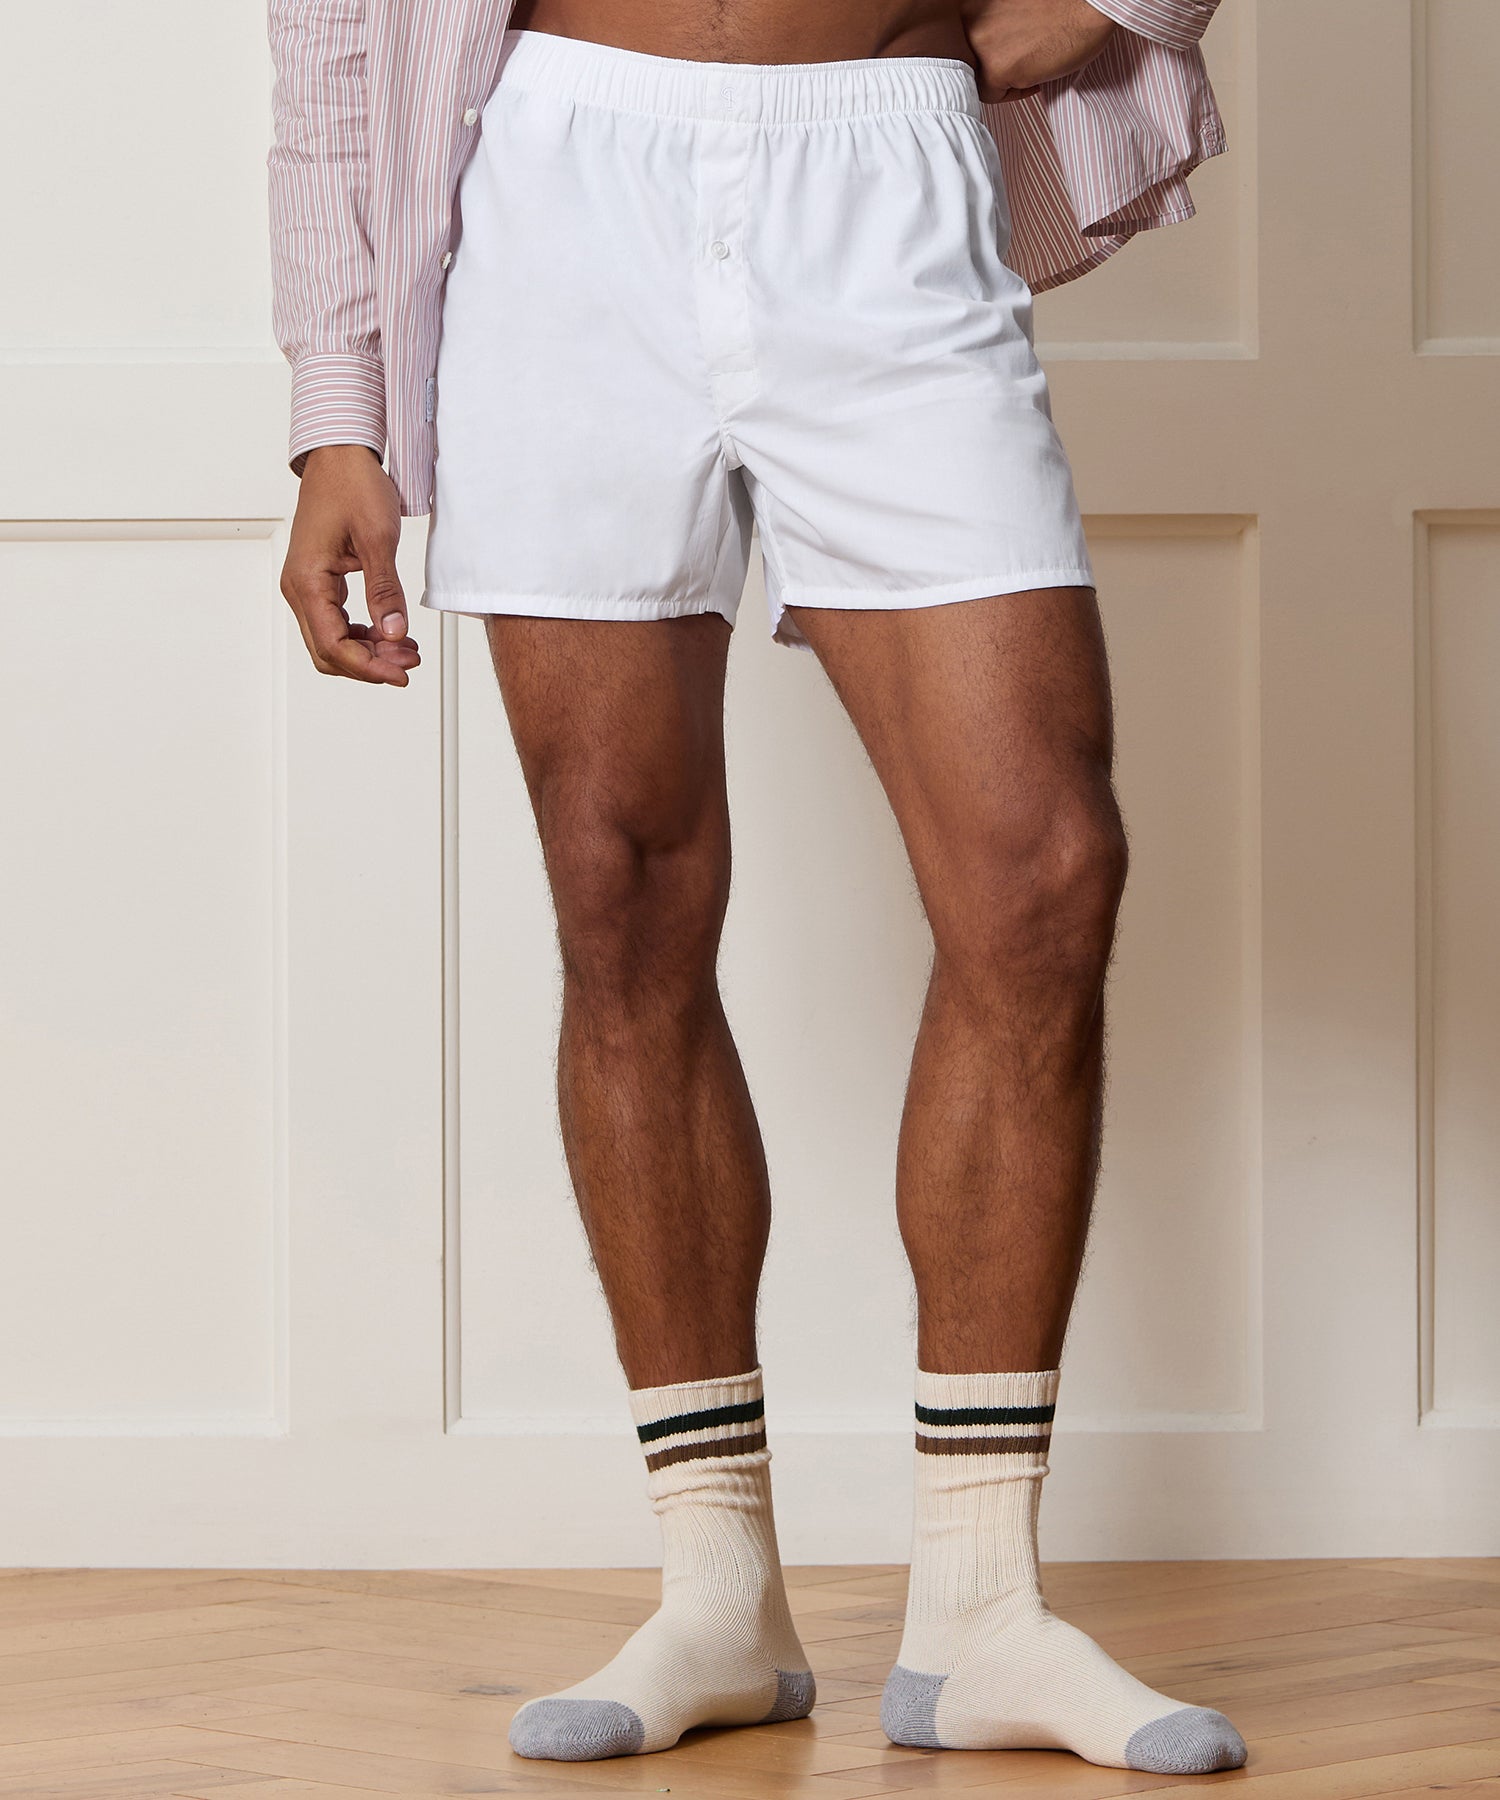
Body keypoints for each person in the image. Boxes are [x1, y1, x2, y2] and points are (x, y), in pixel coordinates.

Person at [268, 0, 1246, 1773]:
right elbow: (337, 30)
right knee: (620, 894)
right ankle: (716, 1590)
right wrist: (339, 403)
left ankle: (980, 1609)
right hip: (558, 183)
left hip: (882, 160)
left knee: (1041, 870)